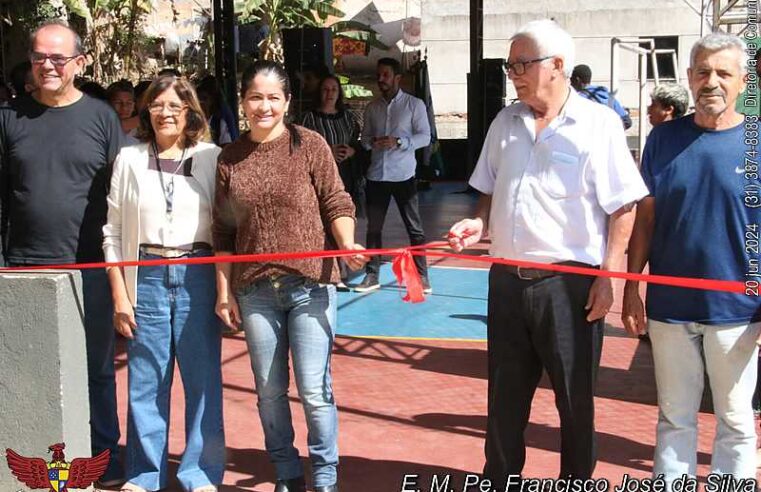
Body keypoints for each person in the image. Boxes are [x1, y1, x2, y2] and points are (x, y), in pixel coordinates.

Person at [447, 20, 648, 485]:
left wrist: (609, 276)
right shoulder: (505, 122)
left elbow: (624, 207)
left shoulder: (597, 125)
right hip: (507, 282)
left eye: (522, 64)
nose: (513, 74)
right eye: (509, 65)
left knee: (575, 403)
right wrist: (477, 221)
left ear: (557, 66)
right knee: (504, 400)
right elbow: (488, 191)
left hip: (569, 287)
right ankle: (499, 478)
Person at [213, 60, 366, 492]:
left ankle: (324, 475)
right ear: (243, 102)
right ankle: (286, 471)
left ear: (287, 102)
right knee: (269, 392)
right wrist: (224, 293)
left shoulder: (310, 144)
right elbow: (223, 231)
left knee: (315, 392)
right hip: (255, 290)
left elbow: (337, 201)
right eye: (255, 97)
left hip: (310, 285)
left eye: (272, 97)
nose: (264, 106)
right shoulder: (230, 157)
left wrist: (347, 243)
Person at [622, 33, 760, 487]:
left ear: (743, 81)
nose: (711, 82)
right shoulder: (663, 140)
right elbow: (646, 219)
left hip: (737, 313)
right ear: (688, 78)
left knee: (736, 422)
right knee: (674, 418)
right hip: (669, 309)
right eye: (702, 72)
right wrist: (632, 286)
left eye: (723, 73)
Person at [0, 20, 125, 487]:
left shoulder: (101, 118)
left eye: (57, 57)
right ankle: (33, 458)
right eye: (38, 57)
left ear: (80, 63)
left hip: (89, 267)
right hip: (22, 267)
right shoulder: (9, 118)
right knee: (23, 369)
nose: (47, 65)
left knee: (97, 371)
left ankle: (104, 459)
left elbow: (119, 197)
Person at [102, 74, 225, 492]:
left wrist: (226, 290)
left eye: (175, 105)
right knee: (146, 381)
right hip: (147, 272)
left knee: (203, 380)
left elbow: (226, 229)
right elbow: (113, 232)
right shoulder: (129, 158)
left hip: (198, 271)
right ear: (146, 111)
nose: (166, 113)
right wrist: (121, 293)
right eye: (157, 105)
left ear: (190, 111)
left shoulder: (211, 156)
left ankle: (200, 474)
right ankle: (142, 475)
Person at [355, 57, 432, 294]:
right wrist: (372, 143)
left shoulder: (414, 105)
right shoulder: (372, 108)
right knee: (373, 229)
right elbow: (365, 139)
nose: (381, 79)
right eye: (379, 75)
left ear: (397, 78)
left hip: (403, 177)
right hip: (377, 176)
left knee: (414, 229)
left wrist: (399, 142)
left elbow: (425, 137)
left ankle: (422, 276)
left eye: (386, 75)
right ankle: (371, 275)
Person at [300, 74, 364, 289]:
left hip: (345, 176)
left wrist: (351, 151)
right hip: (318, 178)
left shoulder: (349, 118)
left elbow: (360, 142)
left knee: (343, 219)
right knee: (323, 225)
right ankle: (327, 270)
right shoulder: (308, 118)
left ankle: (342, 268)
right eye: (325, 90)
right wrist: (328, 151)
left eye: (334, 90)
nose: (329, 94)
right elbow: (301, 147)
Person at [571, 63, 633, 129]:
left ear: (577, 80)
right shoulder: (608, 96)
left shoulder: (578, 99)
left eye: (571, 80)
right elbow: (627, 121)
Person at [196, 75, 239, 146]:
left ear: (212, 99)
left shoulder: (220, 118)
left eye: (205, 98)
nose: (201, 102)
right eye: (199, 98)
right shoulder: (194, 119)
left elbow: (228, 144)